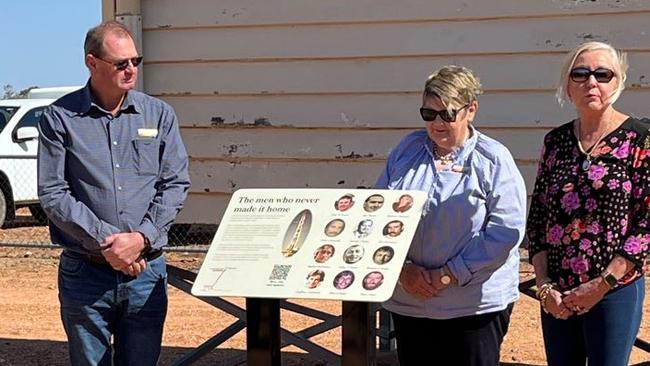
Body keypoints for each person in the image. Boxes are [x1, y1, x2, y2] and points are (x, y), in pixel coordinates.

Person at [37, 21, 191, 366]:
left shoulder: (159, 114)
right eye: (121, 63)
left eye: (135, 60)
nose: (131, 69)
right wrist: (113, 243)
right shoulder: (59, 118)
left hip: (145, 272)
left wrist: (141, 238)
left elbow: (175, 183)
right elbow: (52, 192)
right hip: (86, 275)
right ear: (92, 63)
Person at [376, 65, 526, 366]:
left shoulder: (493, 159)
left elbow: (504, 232)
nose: (437, 123)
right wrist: (403, 269)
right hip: (411, 300)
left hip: (472, 306)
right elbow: (378, 214)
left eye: (447, 114)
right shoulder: (407, 150)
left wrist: (449, 275)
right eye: (428, 114)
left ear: (471, 110)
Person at [526, 41, 648, 366]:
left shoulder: (641, 139)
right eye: (580, 74)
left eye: (602, 74)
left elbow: (646, 226)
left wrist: (602, 283)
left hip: (613, 291)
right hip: (557, 295)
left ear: (618, 81)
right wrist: (543, 285)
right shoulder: (555, 142)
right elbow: (538, 217)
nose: (591, 82)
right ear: (567, 85)